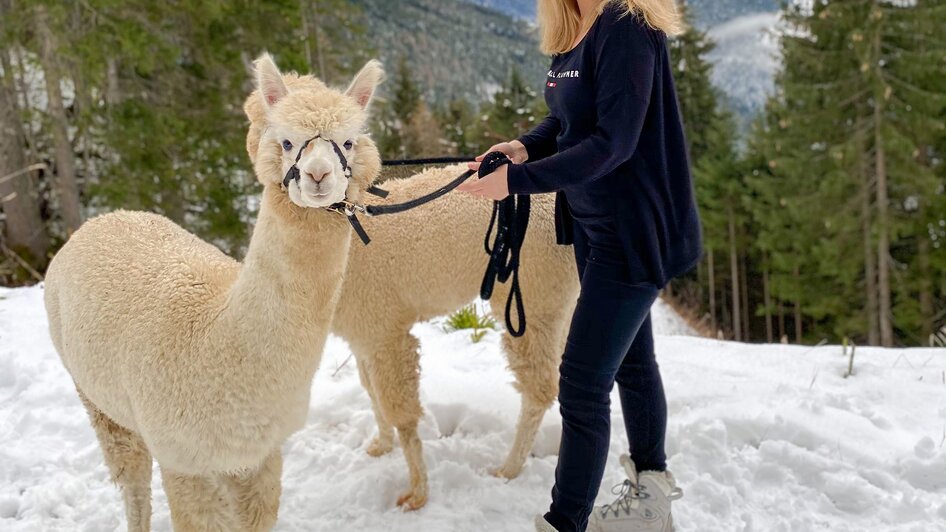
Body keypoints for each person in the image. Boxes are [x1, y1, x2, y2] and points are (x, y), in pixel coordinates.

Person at [458, 0, 701, 530]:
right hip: (594, 228)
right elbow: (570, 122)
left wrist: (516, 183)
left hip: (635, 232)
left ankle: (564, 522)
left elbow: (614, 143)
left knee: (582, 382)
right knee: (633, 364)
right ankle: (652, 499)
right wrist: (523, 148)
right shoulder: (576, 26)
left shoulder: (625, 25)